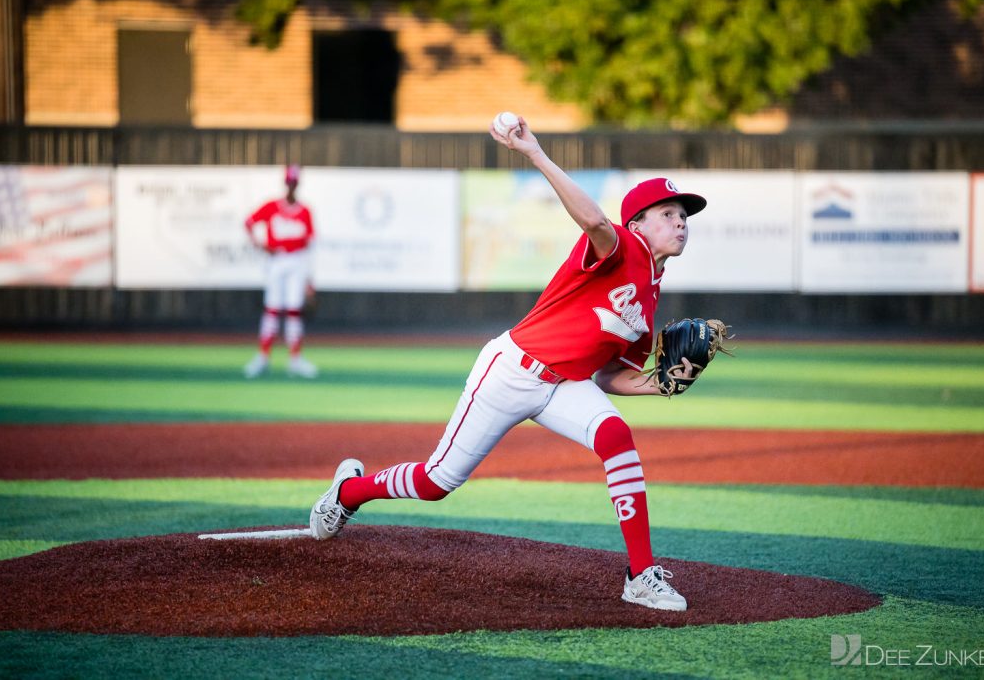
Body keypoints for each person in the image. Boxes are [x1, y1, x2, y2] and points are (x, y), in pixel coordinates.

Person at [310, 117, 706, 612]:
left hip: (565, 385)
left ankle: (641, 575)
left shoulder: (648, 304)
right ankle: (349, 492)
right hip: (511, 371)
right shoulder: (620, 247)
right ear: (638, 224)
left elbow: (611, 377)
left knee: (616, 438)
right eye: (667, 213)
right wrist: (535, 154)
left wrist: (663, 386)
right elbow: (596, 224)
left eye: (683, 215)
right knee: (437, 482)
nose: (680, 222)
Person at [243, 164, 318, 379]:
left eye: (295, 183)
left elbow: (310, 247)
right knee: (272, 309)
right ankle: (263, 357)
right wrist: (259, 244)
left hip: (297, 261)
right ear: (285, 184)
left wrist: (310, 279)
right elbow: (248, 223)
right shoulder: (272, 207)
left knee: (294, 310)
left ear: (298, 184)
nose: (292, 187)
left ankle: (295, 359)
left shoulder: (304, 211)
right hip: (277, 260)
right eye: (289, 183)